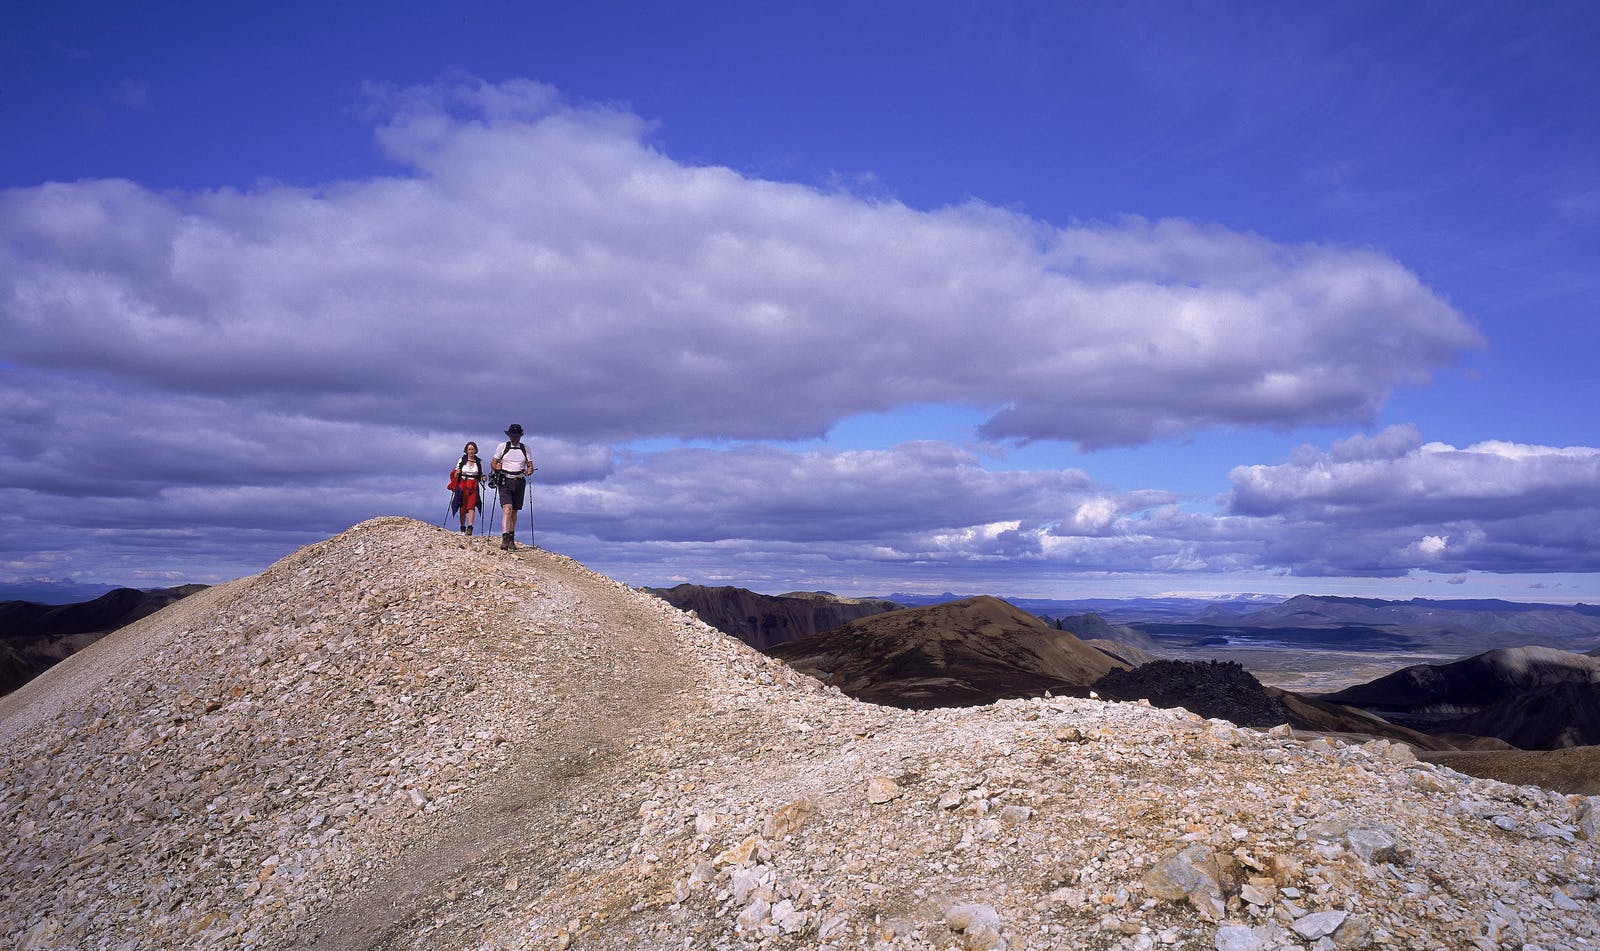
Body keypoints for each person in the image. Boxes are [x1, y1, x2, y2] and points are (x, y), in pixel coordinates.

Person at [491, 423, 535, 550]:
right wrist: (496, 467)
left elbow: (530, 465)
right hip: (505, 480)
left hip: (519, 481)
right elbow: (493, 463)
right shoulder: (502, 447)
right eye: (513, 436)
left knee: (514, 511)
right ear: (509, 435)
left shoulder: (525, 448)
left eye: (517, 436)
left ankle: (511, 537)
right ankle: (505, 538)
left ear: (520, 436)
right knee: (507, 508)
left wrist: (530, 469)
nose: (515, 438)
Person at [448, 442, 485, 535]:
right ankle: (462, 526)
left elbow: (481, 474)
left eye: (472, 449)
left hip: (473, 485)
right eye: (469, 449)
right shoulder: (462, 460)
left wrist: (483, 477)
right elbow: (456, 473)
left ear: (475, 450)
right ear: (466, 450)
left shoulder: (478, 462)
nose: (471, 451)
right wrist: (457, 472)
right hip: (463, 484)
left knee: (471, 506)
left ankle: (470, 527)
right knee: (463, 506)